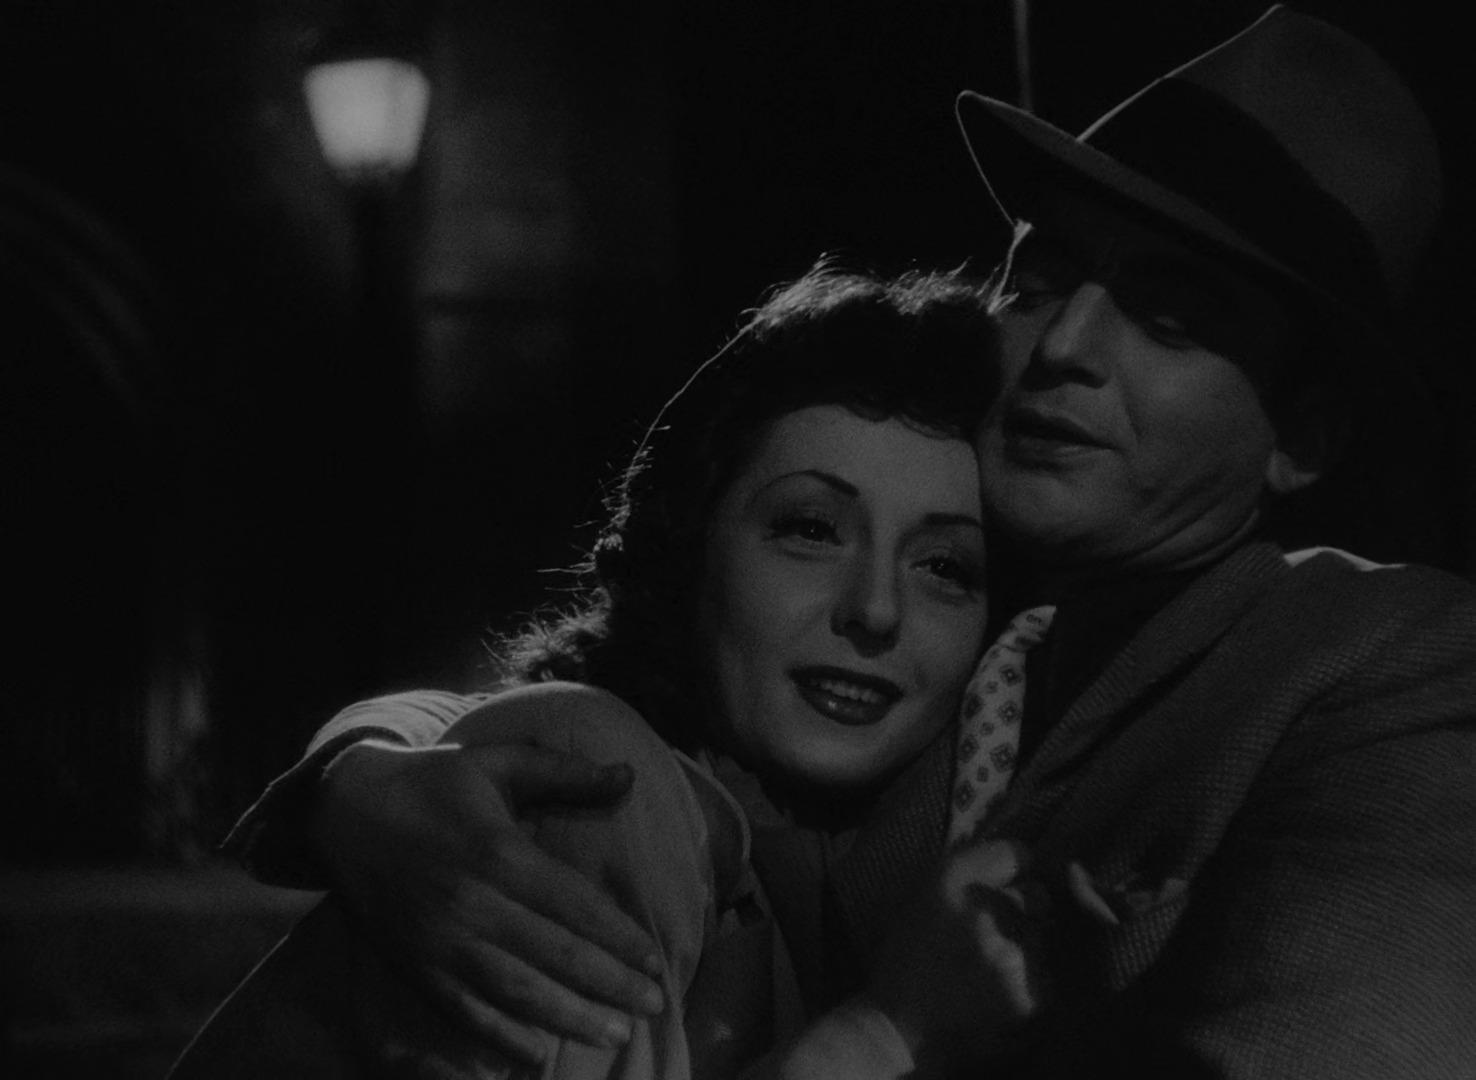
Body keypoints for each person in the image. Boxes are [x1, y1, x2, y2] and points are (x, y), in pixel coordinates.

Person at [216, 6, 1476, 1078]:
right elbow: (624, 726)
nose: (1066, 347)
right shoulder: (942, 623)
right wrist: (373, 775)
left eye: (1171, 320)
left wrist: (888, 1037)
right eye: (1040, 283)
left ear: (1302, 438)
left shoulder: (1390, 666)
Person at [170, 264, 1007, 1078]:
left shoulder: (864, 866)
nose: (876, 609)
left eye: (944, 566)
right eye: (811, 529)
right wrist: (881, 1037)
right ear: (688, 551)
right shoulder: (598, 786)